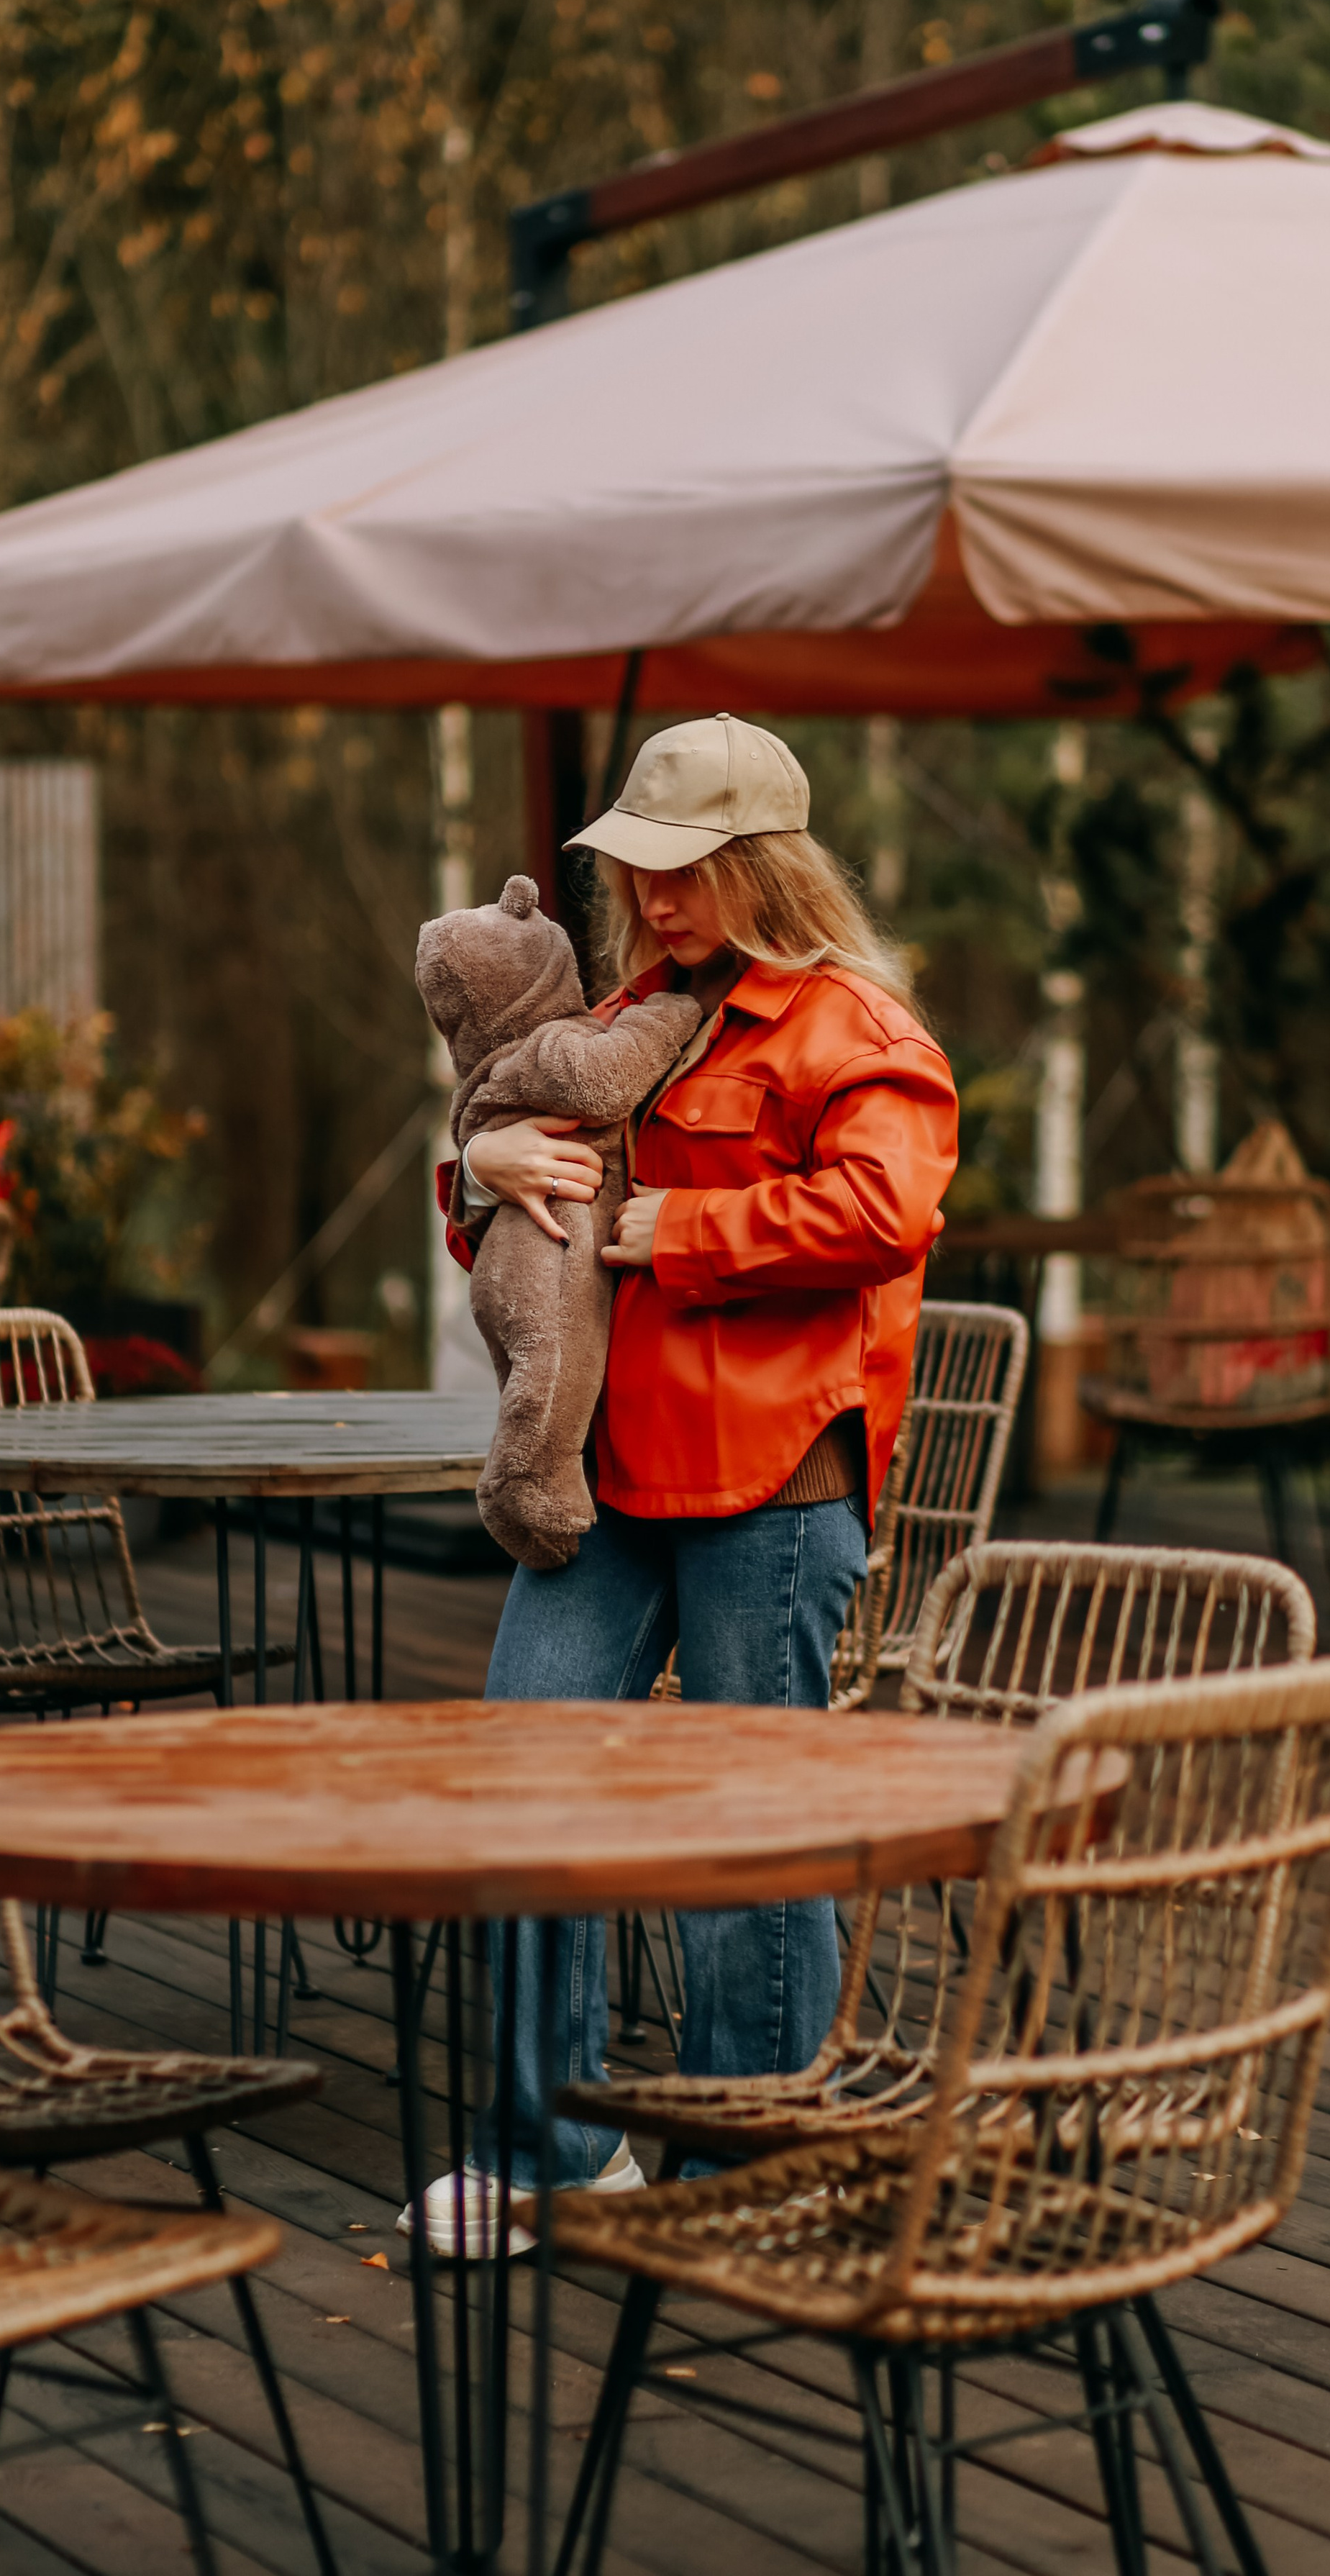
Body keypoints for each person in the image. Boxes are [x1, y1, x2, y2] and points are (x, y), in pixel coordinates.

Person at [408, 712, 958, 2256]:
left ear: (763, 866)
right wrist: (482, 1177)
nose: (653, 900)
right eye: (637, 870)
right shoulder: (625, 1010)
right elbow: (528, 1245)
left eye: (688, 871)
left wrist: (683, 1238)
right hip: (600, 1482)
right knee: (527, 1785)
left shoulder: (855, 1027)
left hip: (768, 1488)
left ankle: (751, 2170)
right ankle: (550, 2153)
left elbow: (884, 1212)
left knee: (746, 1836)